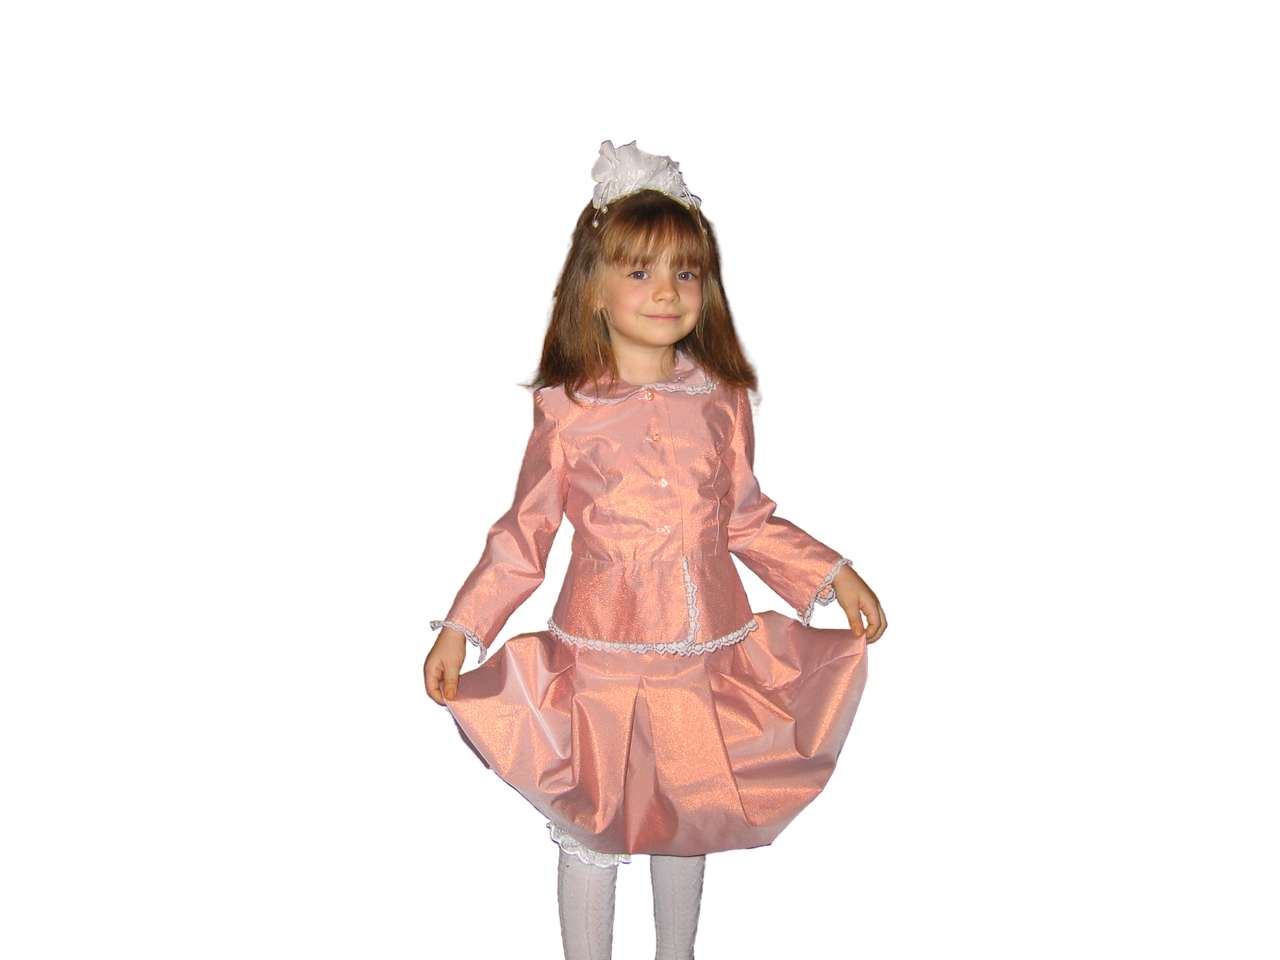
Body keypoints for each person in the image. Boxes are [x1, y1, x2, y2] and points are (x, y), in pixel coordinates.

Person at [421, 136, 890, 960]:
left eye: (687, 271)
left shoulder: (723, 399)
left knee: (689, 814)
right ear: (593, 290)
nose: (667, 291)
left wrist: (829, 572)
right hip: (601, 658)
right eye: (639, 271)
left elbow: (746, 517)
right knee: (593, 825)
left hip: (704, 653)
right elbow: (526, 533)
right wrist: (465, 627)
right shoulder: (568, 408)